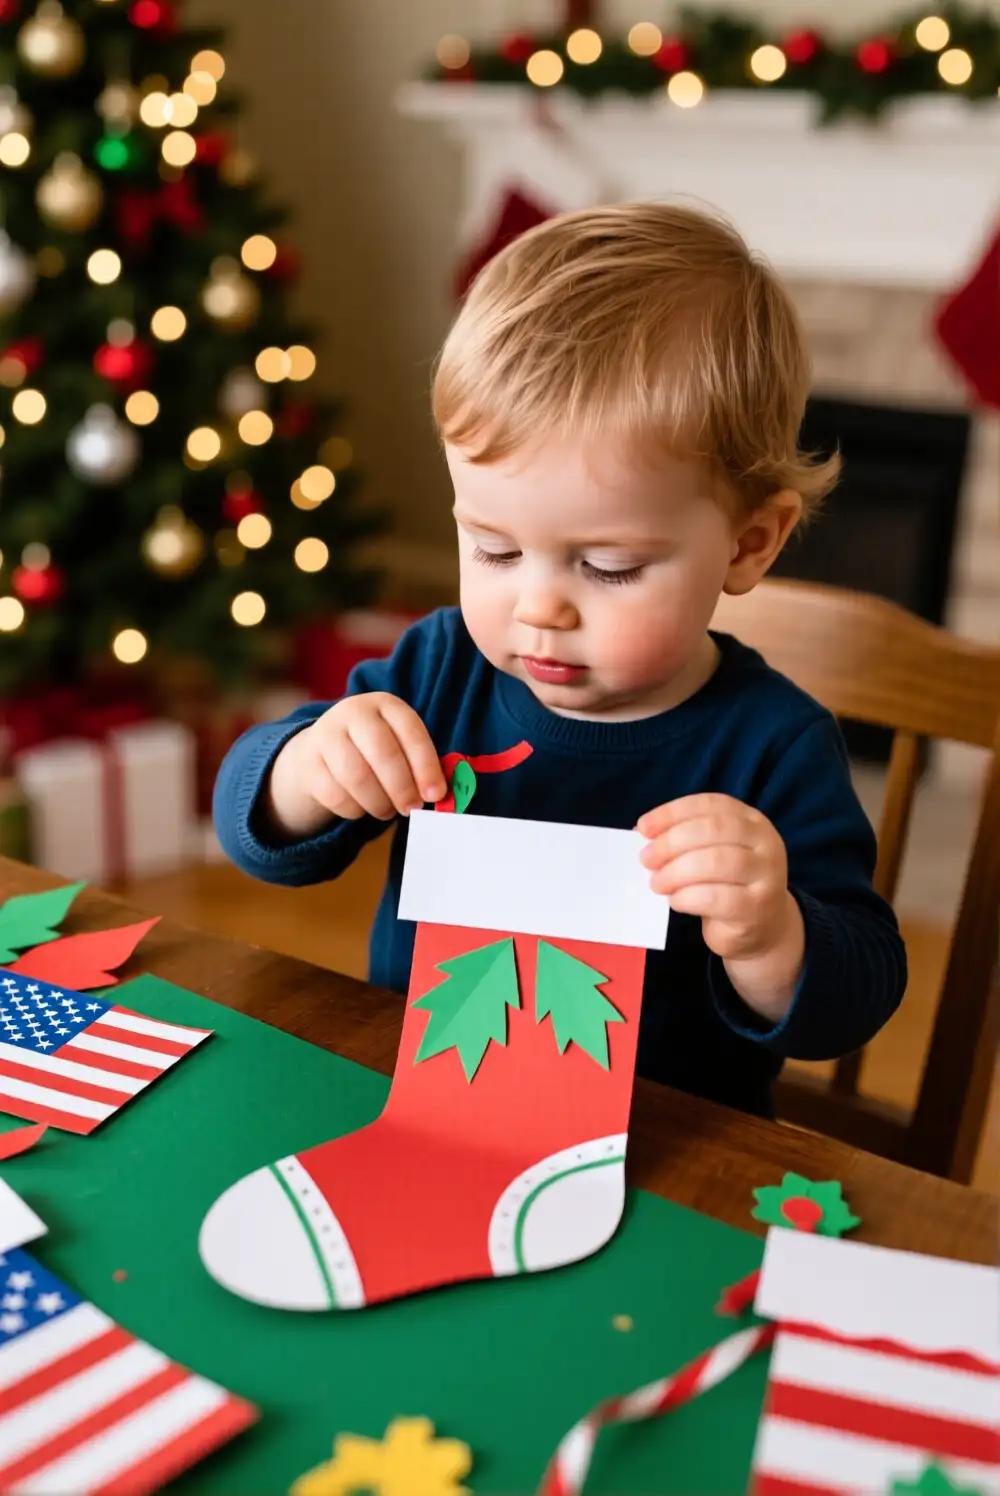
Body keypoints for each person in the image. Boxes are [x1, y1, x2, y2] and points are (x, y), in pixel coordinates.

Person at [214, 203, 906, 1118]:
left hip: (670, 1158)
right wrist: (306, 770)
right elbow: (256, 836)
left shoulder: (770, 745)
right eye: (494, 551)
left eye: (608, 566)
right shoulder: (441, 668)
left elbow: (854, 999)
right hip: (427, 1110)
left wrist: (771, 935)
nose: (538, 606)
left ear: (749, 544)